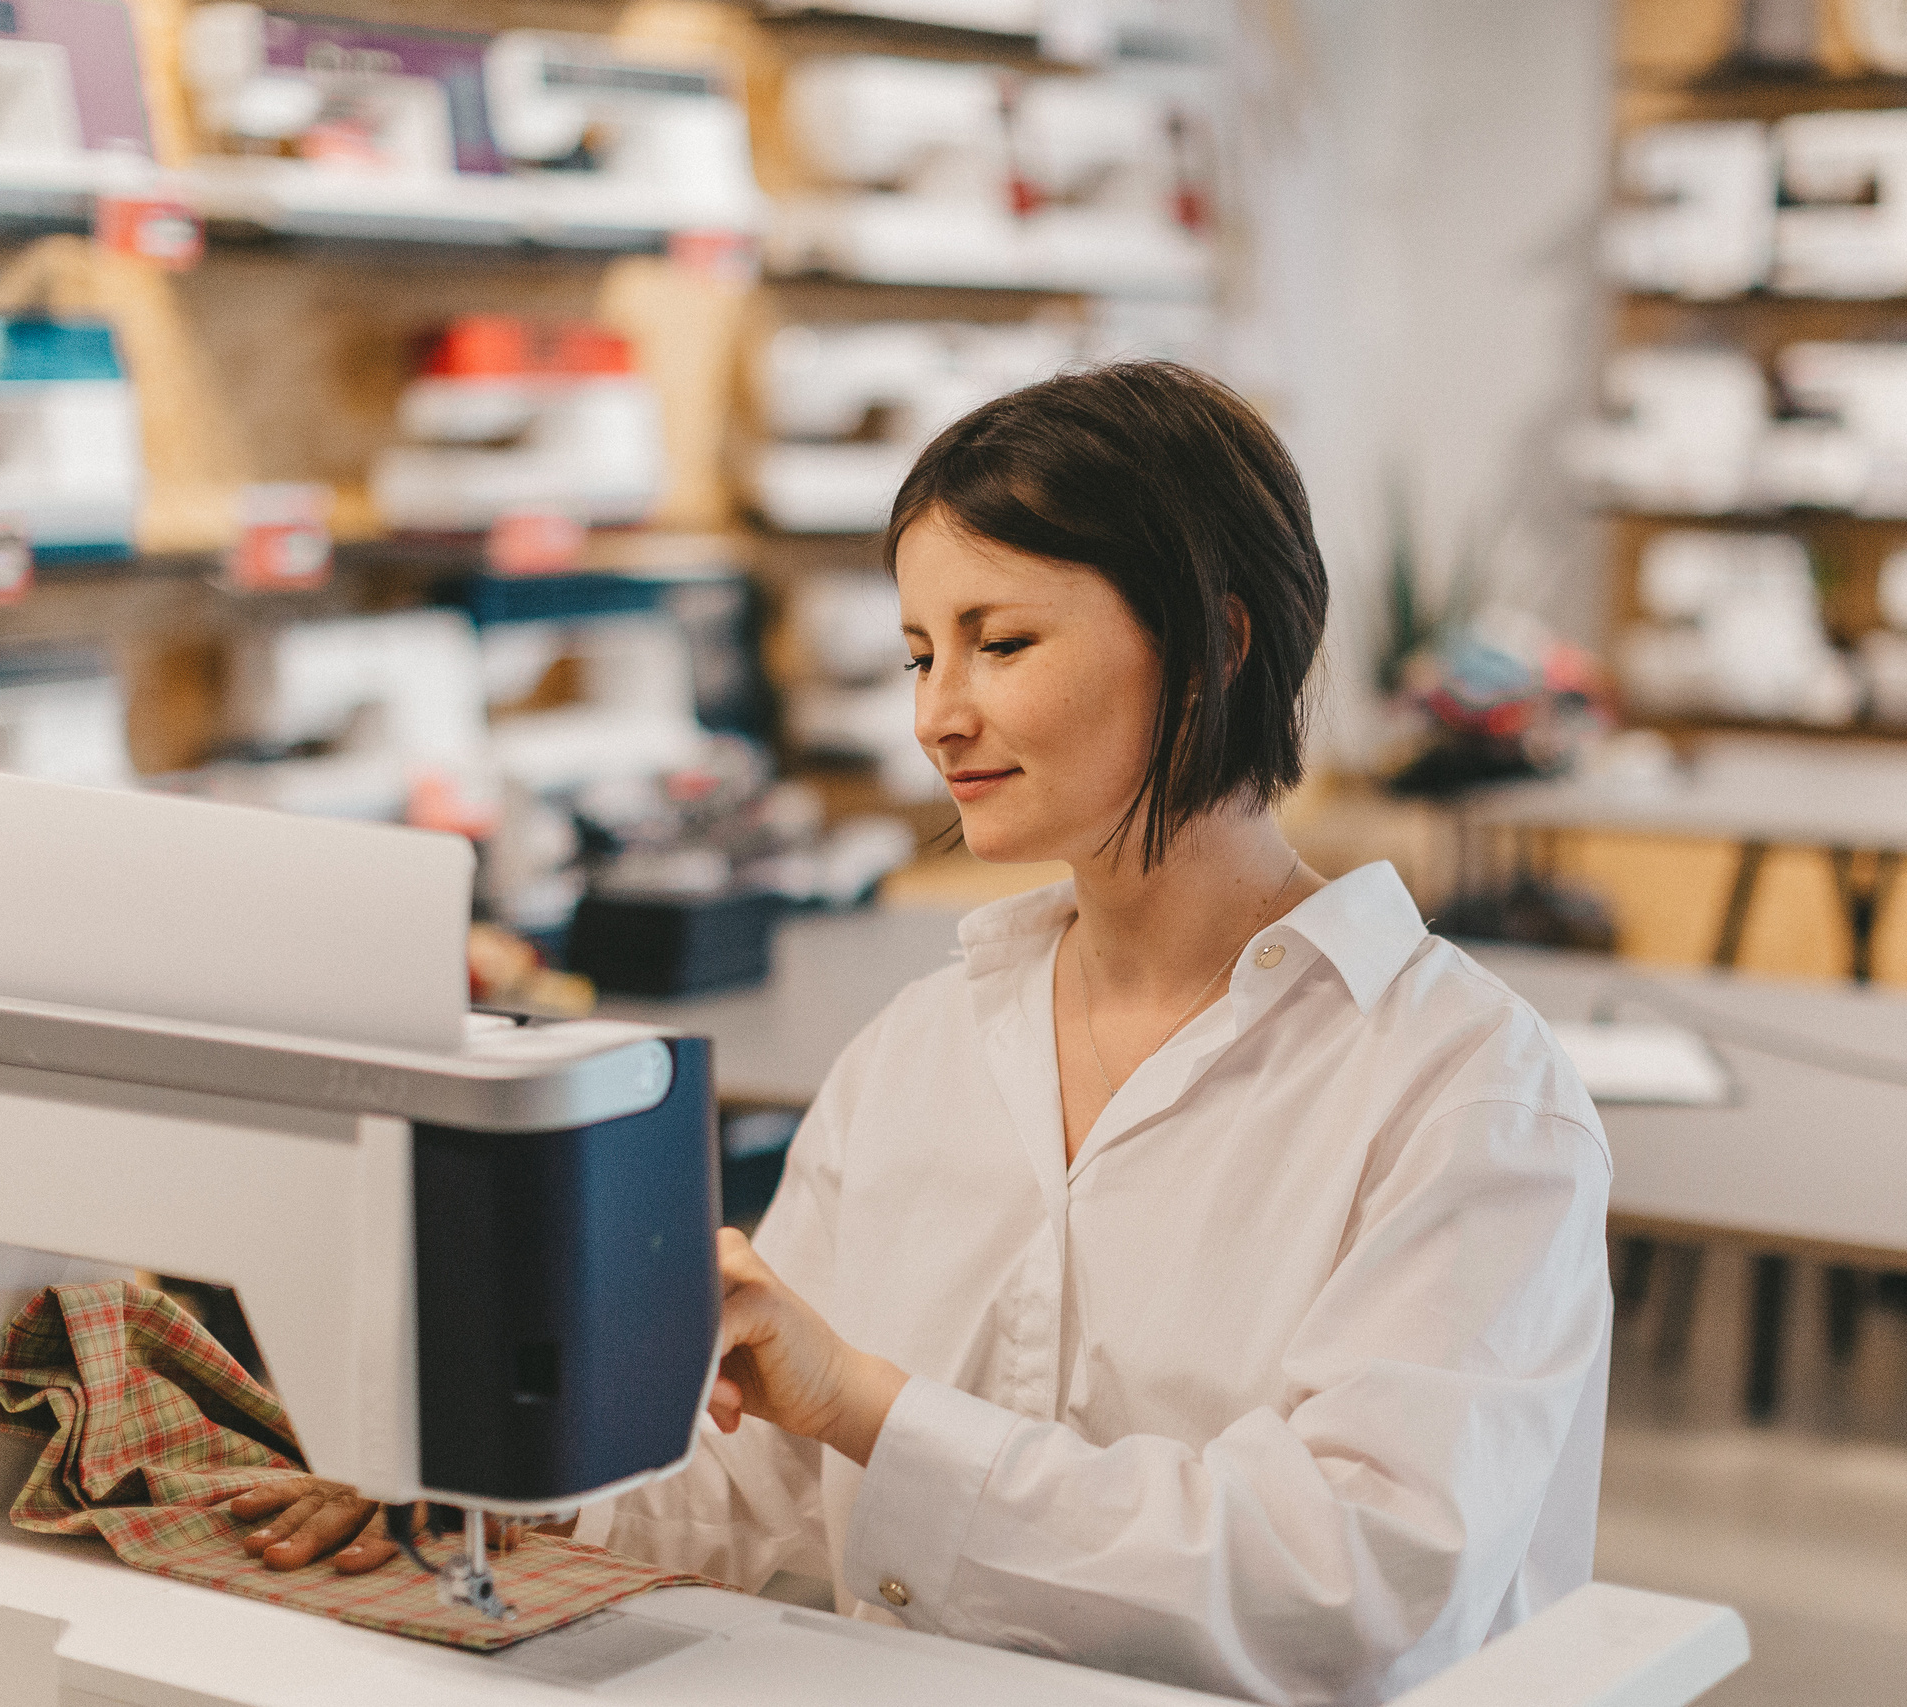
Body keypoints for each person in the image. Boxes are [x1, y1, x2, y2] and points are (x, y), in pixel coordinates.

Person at [232, 360, 1613, 1706]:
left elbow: (1354, 1589)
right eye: (917, 653)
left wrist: (876, 1416)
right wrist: (482, 1473)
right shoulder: (923, 1049)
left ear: (1216, 644)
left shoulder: (1463, 1091)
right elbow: (757, 1487)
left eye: (1000, 644)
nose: (937, 714)